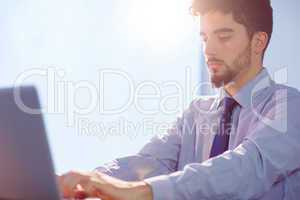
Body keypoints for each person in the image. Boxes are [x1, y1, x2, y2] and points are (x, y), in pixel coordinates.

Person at [58, 0, 300, 199]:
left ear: (258, 42)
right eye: (204, 38)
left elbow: (246, 168)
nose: (209, 50)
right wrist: (85, 184)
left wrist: (138, 192)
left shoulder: (288, 106)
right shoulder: (197, 112)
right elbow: (148, 163)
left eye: (223, 37)